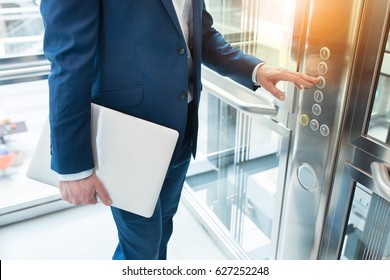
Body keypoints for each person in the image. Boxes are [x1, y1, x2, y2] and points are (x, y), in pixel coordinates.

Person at [40, 0, 319, 260]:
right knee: (142, 246)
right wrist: (72, 167)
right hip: (129, 136)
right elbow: (68, 61)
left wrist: (255, 69)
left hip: (182, 128)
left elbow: (200, 36)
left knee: (162, 226)